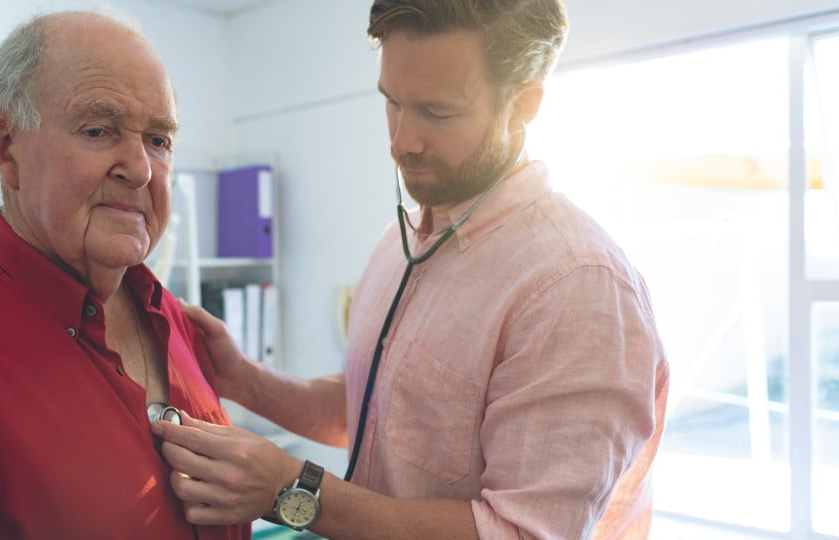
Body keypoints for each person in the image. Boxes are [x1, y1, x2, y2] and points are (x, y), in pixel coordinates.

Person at [151, 0, 670, 538]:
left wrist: (292, 490)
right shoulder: (404, 240)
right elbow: (377, 408)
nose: (401, 141)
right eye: (392, 103)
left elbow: (520, 532)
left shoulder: (575, 286)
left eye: (436, 112)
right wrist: (243, 378)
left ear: (524, 104)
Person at [0, 11, 249, 540]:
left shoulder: (170, 318)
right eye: (99, 130)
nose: (141, 169)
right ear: (6, 147)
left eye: (158, 140)